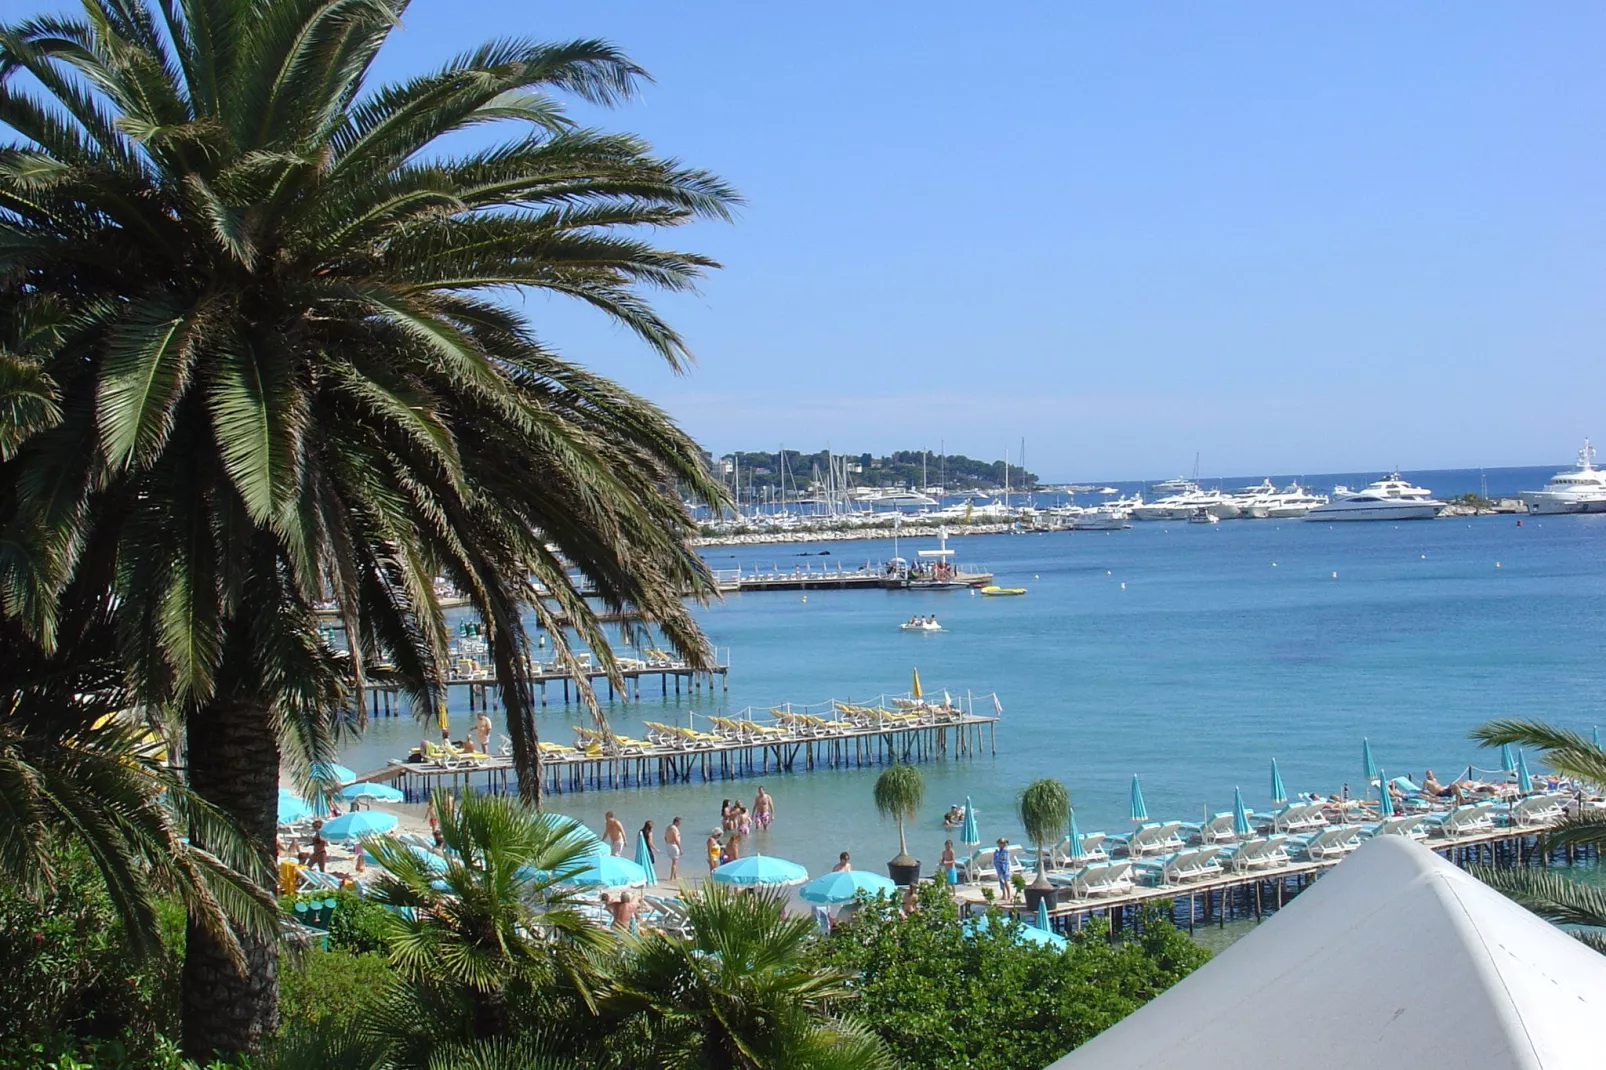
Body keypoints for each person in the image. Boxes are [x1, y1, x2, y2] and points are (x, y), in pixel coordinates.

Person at [992, 837, 1012, 902]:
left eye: (999, 844)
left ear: (1002, 844)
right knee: (1001, 882)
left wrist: (997, 855)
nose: (998, 845)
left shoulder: (1005, 851)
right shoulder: (1000, 850)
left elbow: (1003, 860)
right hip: (1000, 869)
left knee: (1005, 882)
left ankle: (1008, 895)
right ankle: (1004, 895)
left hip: (1004, 869)